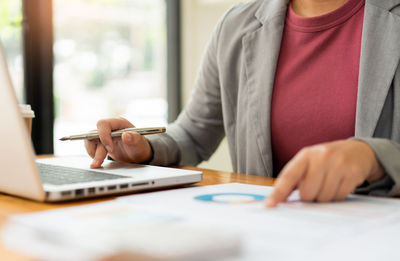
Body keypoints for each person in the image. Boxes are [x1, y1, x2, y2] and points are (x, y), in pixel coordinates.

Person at [85, 0, 400, 207]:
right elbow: (195, 131)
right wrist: (144, 147)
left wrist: (375, 158)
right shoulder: (236, 25)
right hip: (273, 233)